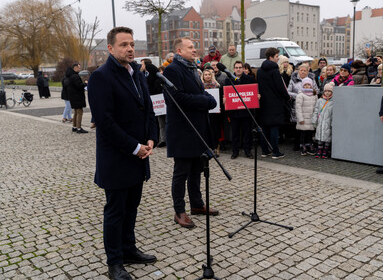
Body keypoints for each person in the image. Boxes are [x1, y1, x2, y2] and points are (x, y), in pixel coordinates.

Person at [87, 26, 158, 280]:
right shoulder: (101, 77)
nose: (130, 49)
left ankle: (129, 249)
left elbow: (148, 109)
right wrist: (135, 147)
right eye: (123, 45)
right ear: (110, 48)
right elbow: (106, 123)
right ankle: (114, 262)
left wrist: (151, 138)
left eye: (131, 44)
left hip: (139, 156)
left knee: (132, 208)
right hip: (118, 158)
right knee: (115, 212)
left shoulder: (137, 73)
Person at [163, 37, 219, 229]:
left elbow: (201, 92)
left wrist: (207, 99)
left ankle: (197, 204)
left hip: (198, 130)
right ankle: (179, 211)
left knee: (197, 169)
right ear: (179, 50)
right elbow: (176, 98)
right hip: (182, 130)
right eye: (191, 47)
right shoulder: (172, 70)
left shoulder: (193, 69)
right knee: (181, 173)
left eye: (195, 47)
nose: (195, 50)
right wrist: (205, 101)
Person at [257, 47, 290, 159]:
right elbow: (280, 87)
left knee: (265, 128)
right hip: (275, 103)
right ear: (271, 57)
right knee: (274, 128)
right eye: (276, 56)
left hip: (264, 103)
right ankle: (276, 152)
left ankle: (265, 151)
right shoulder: (275, 71)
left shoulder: (260, 71)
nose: (278, 59)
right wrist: (287, 97)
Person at [224, 61, 256, 159]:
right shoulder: (228, 80)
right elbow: (226, 94)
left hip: (247, 111)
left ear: (243, 68)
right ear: (234, 69)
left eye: (240, 67)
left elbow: (253, 92)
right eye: (236, 67)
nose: (238, 69)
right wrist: (224, 99)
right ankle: (235, 151)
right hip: (234, 112)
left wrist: (257, 95)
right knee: (235, 133)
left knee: (247, 133)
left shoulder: (250, 79)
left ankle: (248, 151)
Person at [295, 77, 317, 155]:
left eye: (309, 85)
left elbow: (316, 107)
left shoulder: (314, 95)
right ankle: (302, 146)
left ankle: (309, 146)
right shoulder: (300, 95)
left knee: (310, 133)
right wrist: (300, 118)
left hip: (311, 118)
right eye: (305, 85)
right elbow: (298, 107)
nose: (307, 86)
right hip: (303, 118)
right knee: (303, 133)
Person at [312, 82, 334, 158]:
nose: (327, 93)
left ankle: (325, 151)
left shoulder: (333, 102)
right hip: (320, 123)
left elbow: (334, 114)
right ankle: (319, 150)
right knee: (320, 137)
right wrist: (314, 121)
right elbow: (316, 111)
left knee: (327, 138)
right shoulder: (320, 101)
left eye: (329, 91)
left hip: (328, 123)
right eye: (326, 91)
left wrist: (332, 123)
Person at [66, 63, 88, 134]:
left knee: (75, 112)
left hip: (73, 97)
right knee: (79, 112)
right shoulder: (75, 76)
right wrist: (85, 84)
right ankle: (79, 128)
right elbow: (79, 86)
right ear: (75, 68)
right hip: (77, 97)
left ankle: (74, 127)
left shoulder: (70, 76)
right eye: (79, 68)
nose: (80, 69)